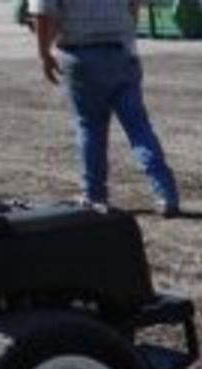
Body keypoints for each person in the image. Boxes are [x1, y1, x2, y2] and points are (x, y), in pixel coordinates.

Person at [29, 0, 181, 217]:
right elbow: (135, 6)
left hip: (81, 56)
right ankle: (167, 194)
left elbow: (42, 13)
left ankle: (95, 195)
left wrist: (44, 54)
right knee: (139, 128)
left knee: (90, 127)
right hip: (122, 53)